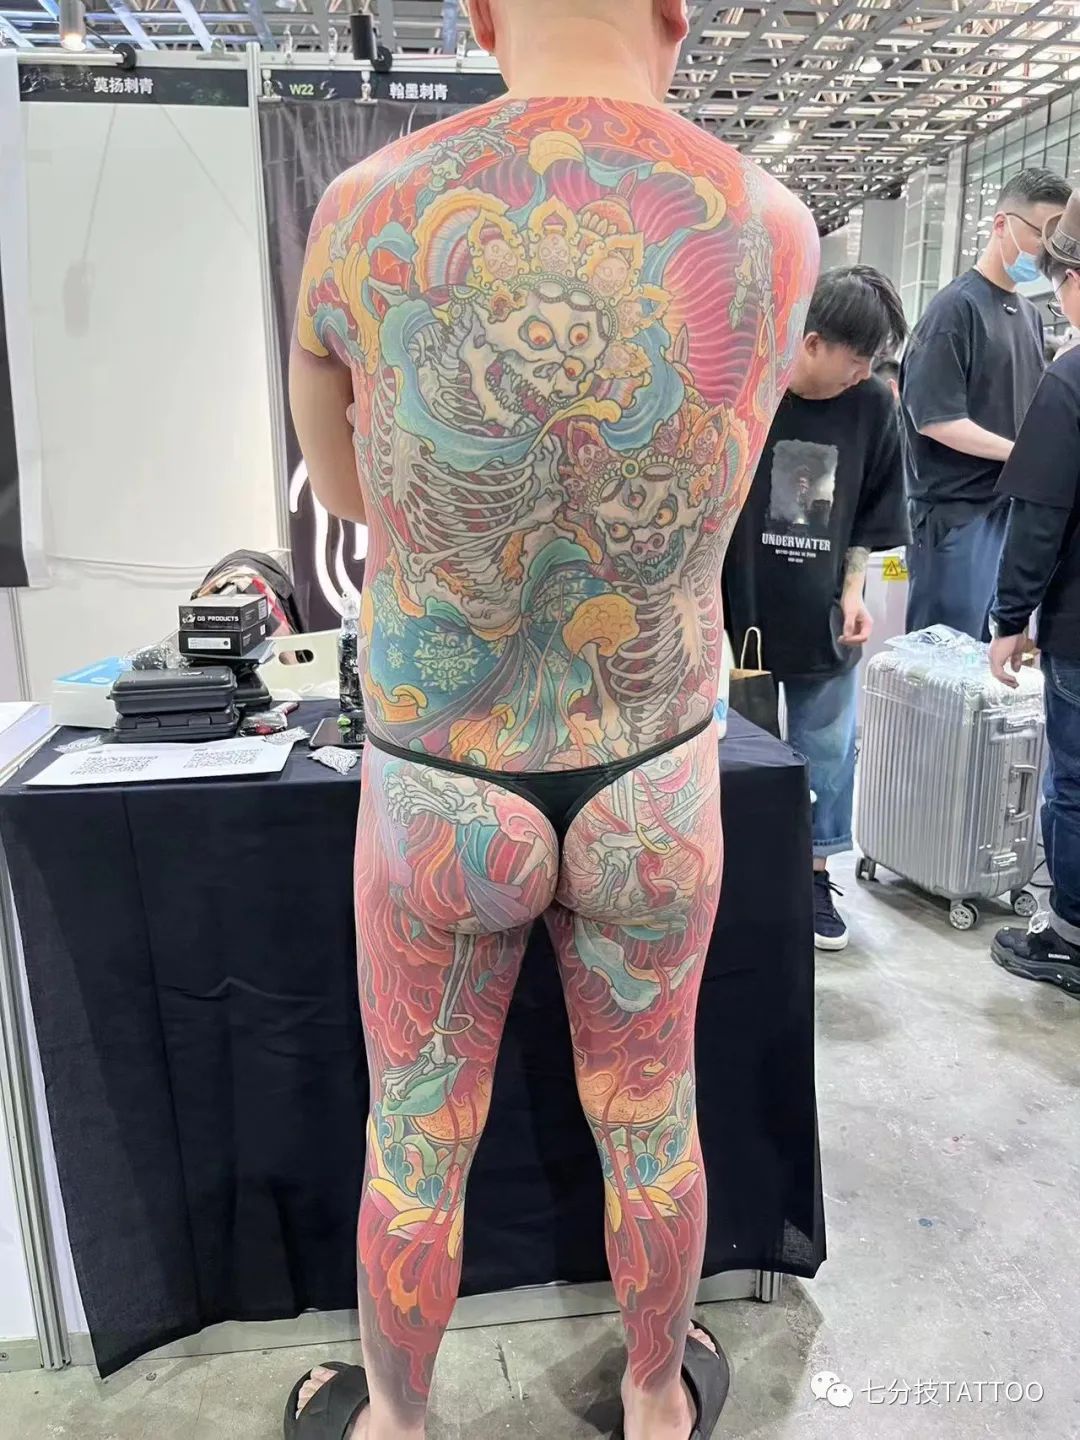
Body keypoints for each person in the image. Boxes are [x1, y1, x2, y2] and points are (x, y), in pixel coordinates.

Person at [284, 2, 820, 1438]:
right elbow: (717, 472)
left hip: (442, 770)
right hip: (650, 764)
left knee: (417, 1136)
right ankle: (654, 1400)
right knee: (651, 1118)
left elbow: (346, 494)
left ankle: (395, 1424)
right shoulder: (772, 226)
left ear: (479, 12)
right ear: (677, 11)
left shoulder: (364, 208)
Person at [725, 267, 909, 952]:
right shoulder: (748, 389)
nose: (863, 372)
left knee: (826, 751)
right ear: (811, 342)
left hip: (822, 614)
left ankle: (813, 876)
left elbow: (871, 514)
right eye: (856, 358)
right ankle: (739, 877)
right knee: (735, 754)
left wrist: (853, 591)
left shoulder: (873, 406)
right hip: (736, 611)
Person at [901, 168, 1071, 640]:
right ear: (1001, 225)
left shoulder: (1029, 317)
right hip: (955, 516)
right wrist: (1022, 454)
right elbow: (935, 418)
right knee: (939, 659)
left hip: (1005, 511)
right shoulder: (954, 310)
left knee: (983, 660)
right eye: (1041, 235)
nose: (1048, 252)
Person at [989, 189, 1080, 1000]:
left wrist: (1009, 618)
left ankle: (1070, 938)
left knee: (1074, 786)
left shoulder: (1072, 377)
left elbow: (1041, 517)